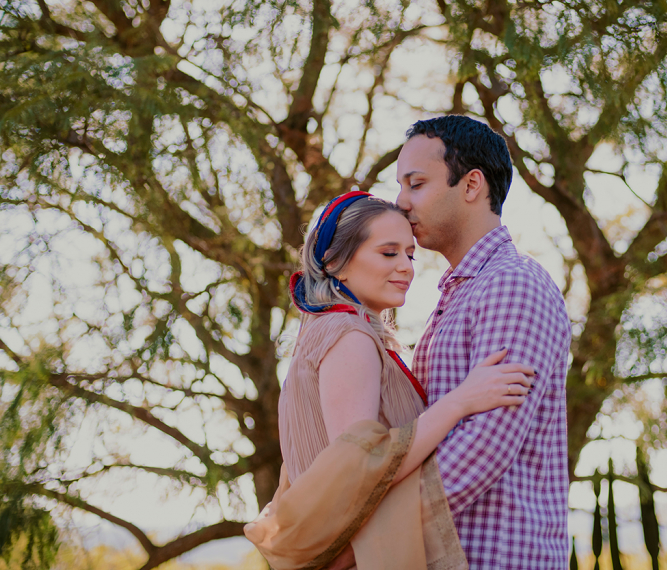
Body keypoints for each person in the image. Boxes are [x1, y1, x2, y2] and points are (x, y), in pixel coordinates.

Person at [245, 191, 535, 570]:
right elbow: (361, 468)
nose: (406, 267)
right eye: (388, 253)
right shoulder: (349, 335)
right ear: (336, 262)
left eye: (410, 254)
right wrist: (461, 401)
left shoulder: (329, 329)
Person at [396, 116, 573, 569]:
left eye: (416, 184)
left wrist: (374, 526)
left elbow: (484, 444)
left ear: (471, 185)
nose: (401, 203)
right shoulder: (463, 292)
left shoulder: (512, 285)